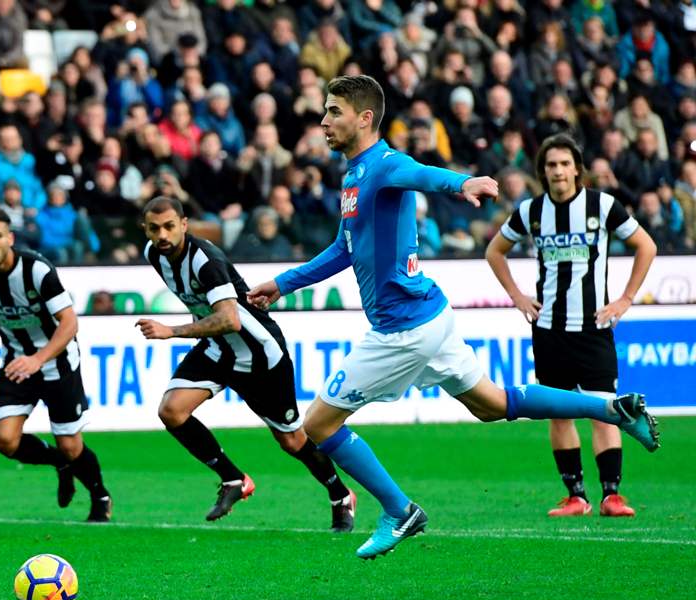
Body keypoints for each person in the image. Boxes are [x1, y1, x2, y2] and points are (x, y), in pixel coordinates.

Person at [246, 75, 661, 560]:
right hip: (431, 317)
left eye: (333, 111)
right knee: (491, 403)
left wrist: (462, 183)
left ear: (364, 118)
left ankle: (399, 510)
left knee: (316, 425)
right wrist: (283, 283)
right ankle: (610, 408)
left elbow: (422, 173)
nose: (323, 121)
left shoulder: (384, 163)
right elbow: (345, 247)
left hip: (402, 331)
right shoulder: (354, 176)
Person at [134, 196, 357, 532]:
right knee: (171, 411)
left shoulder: (205, 261)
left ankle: (341, 496)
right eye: (154, 229)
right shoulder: (155, 255)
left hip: (259, 356)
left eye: (169, 226)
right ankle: (233, 479)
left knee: (292, 441)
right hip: (217, 350)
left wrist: (172, 331)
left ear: (184, 224)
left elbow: (230, 319)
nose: (162, 235)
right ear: (145, 230)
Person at [485, 134, 658, 518]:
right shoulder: (531, 211)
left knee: (603, 408)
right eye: (551, 165)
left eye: (564, 164)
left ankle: (612, 495)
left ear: (576, 169)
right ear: (542, 172)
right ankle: (576, 496)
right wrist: (516, 294)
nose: (558, 171)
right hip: (548, 328)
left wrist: (626, 298)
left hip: (593, 326)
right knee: (558, 412)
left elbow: (646, 245)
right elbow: (494, 250)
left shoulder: (603, 206)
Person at [0, 206, 112, 522]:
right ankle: (58, 462)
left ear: (10, 238)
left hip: (57, 362)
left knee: (73, 446)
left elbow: (70, 323)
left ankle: (99, 494)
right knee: (3, 440)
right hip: (17, 362)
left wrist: (38, 359)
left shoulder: (36, 270)